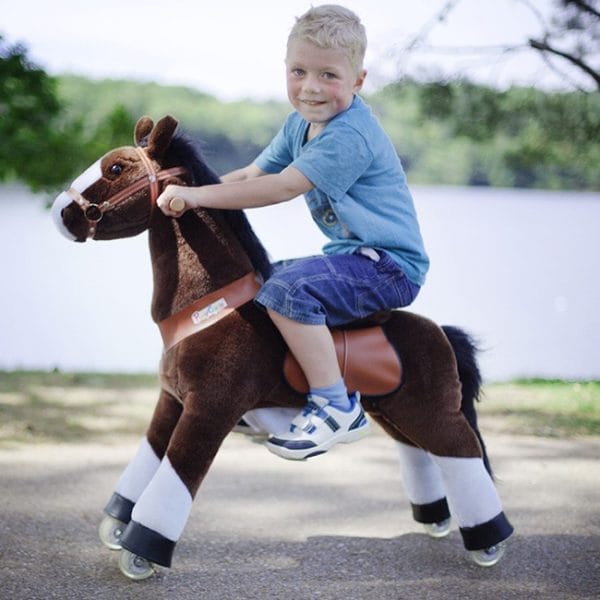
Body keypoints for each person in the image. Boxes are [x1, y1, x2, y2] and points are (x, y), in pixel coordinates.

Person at [157, 4, 429, 460]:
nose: (310, 87)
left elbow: (282, 187)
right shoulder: (300, 124)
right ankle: (262, 392)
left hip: (390, 267)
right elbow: (249, 175)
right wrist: (196, 196)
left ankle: (336, 405)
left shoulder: (349, 135)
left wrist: (201, 198)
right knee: (259, 283)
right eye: (299, 71)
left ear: (358, 81)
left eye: (328, 75)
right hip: (351, 257)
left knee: (288, 291)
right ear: (285, 69)